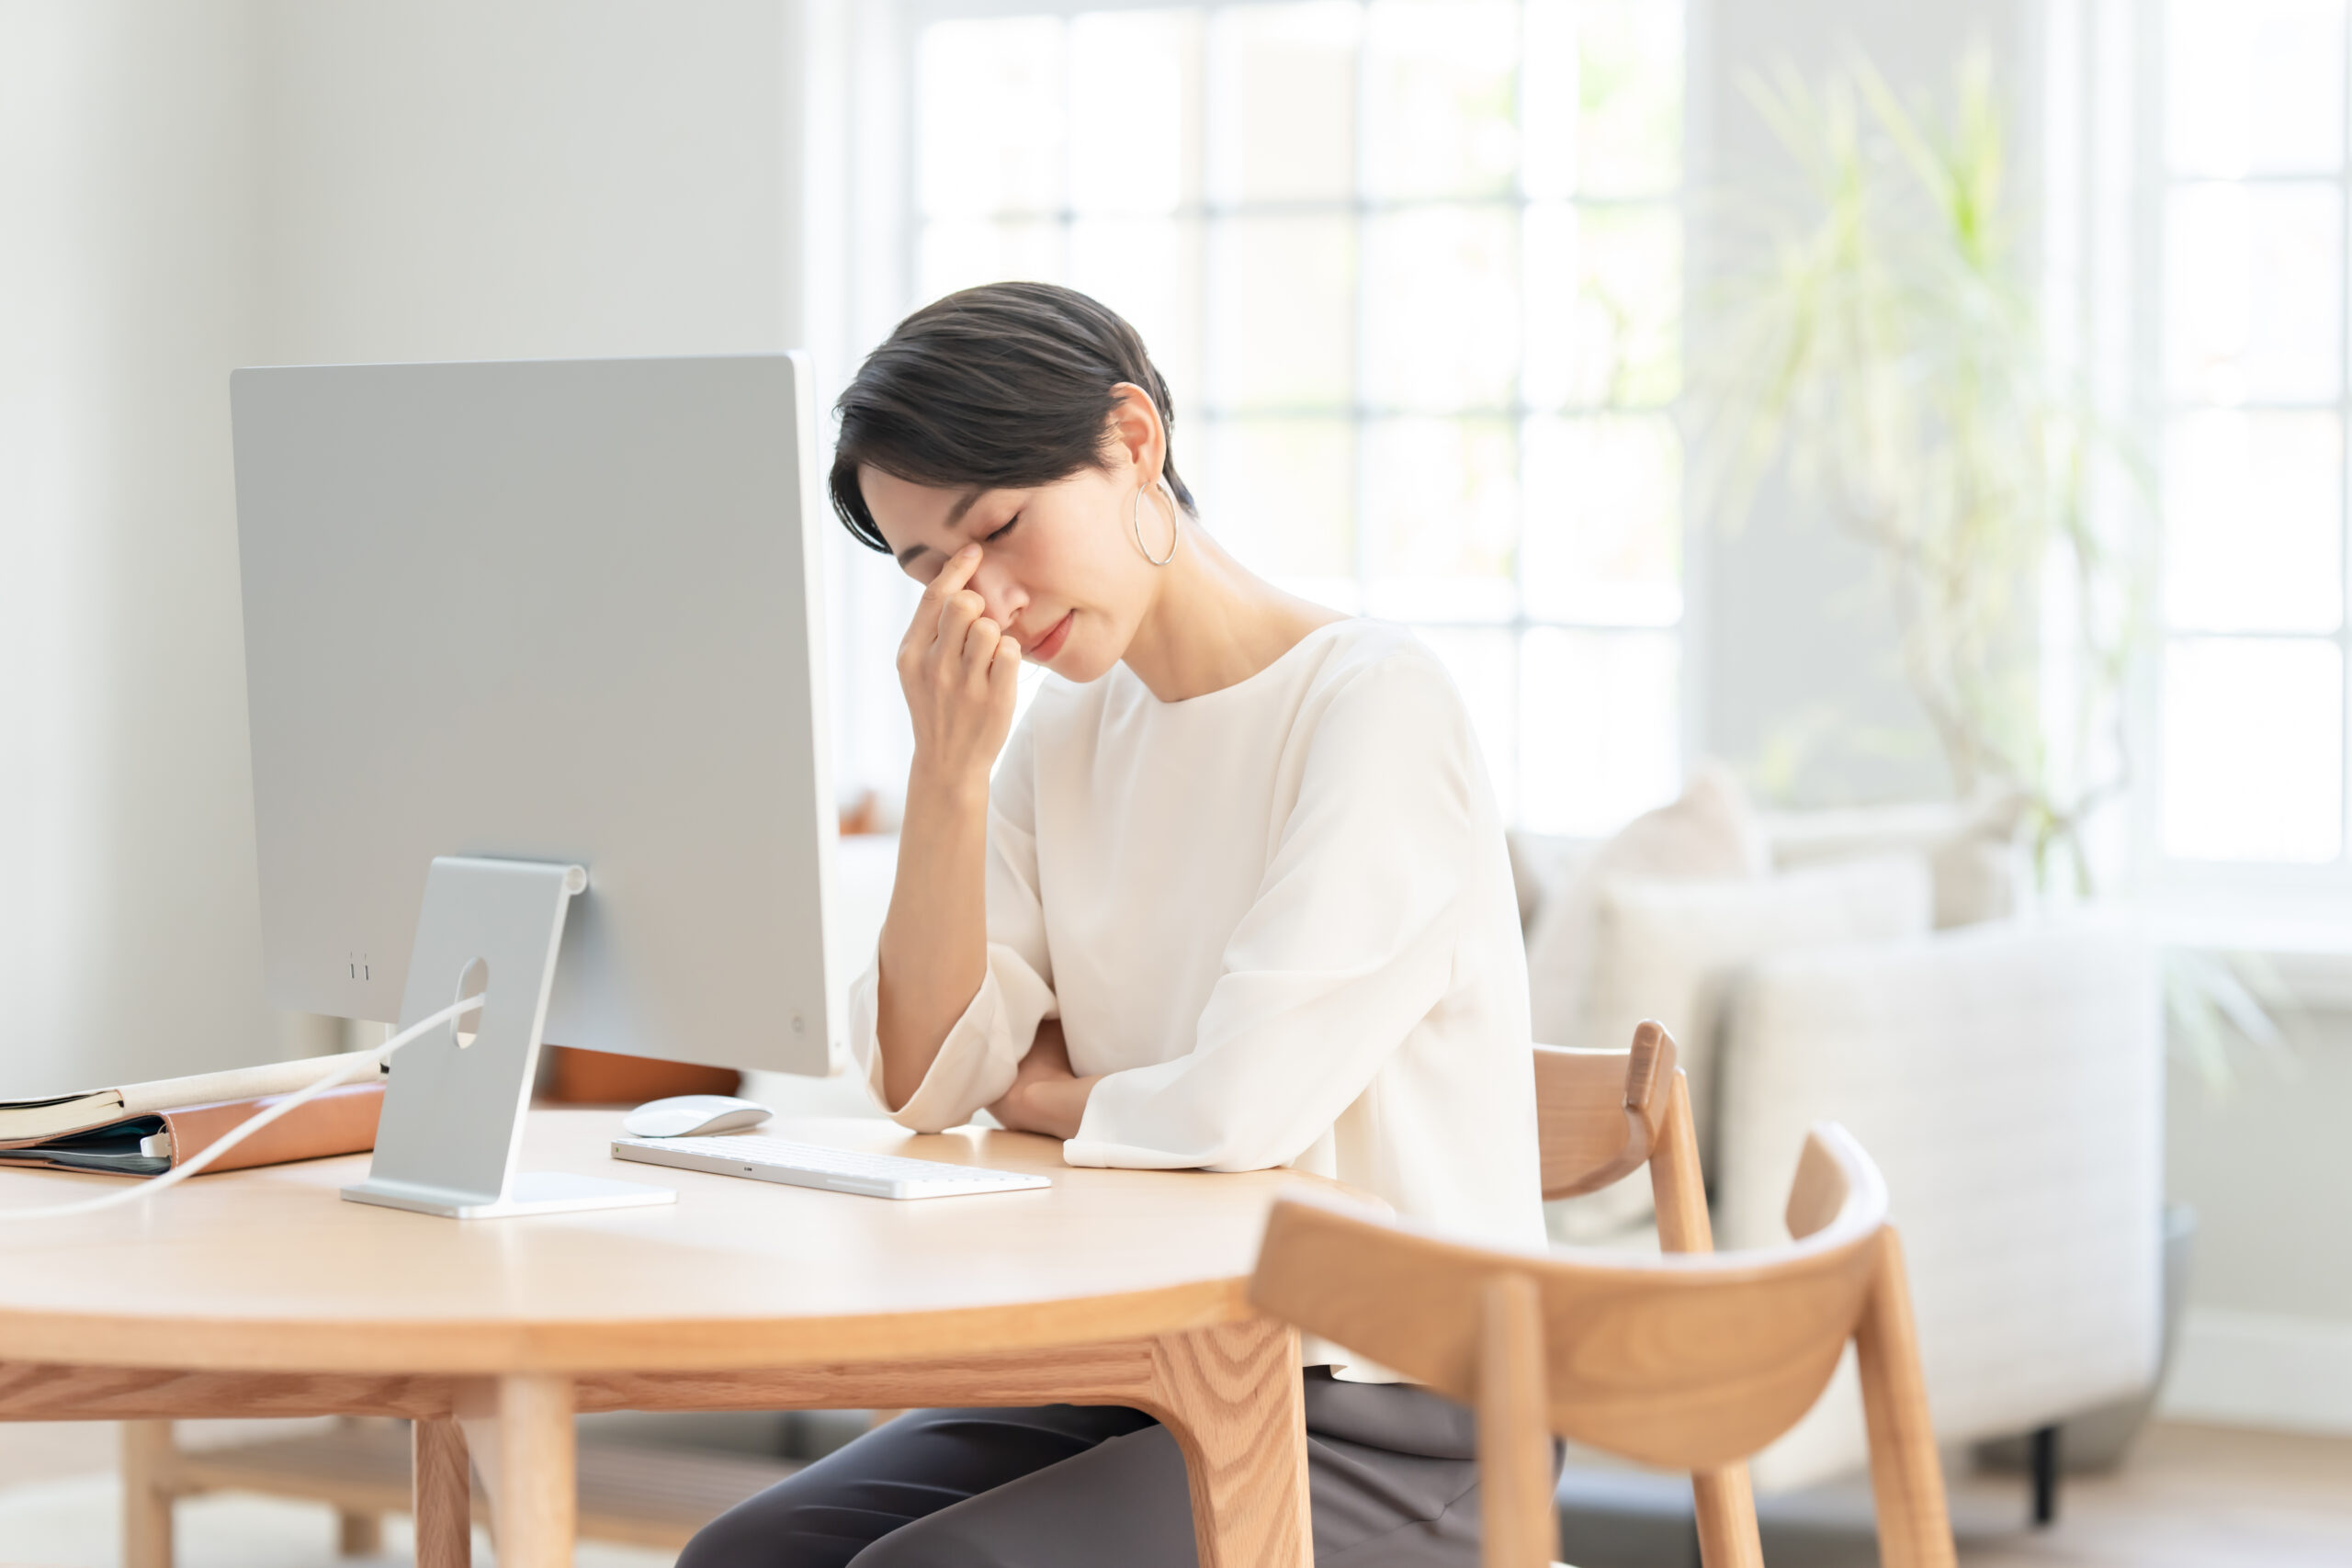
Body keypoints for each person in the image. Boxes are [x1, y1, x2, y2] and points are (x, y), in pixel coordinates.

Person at [679, 282, 1546, 1568]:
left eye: (1000, 529)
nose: (987, 602)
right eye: (935, 573)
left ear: (1132, 440)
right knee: (746, 1561)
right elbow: (924, 1081)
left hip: (1394, 1406)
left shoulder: (1373, 706)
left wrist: (1048, 1097)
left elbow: (1235, 1111)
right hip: (1133, 1372)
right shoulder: (1063, 738)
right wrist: (946, 778)